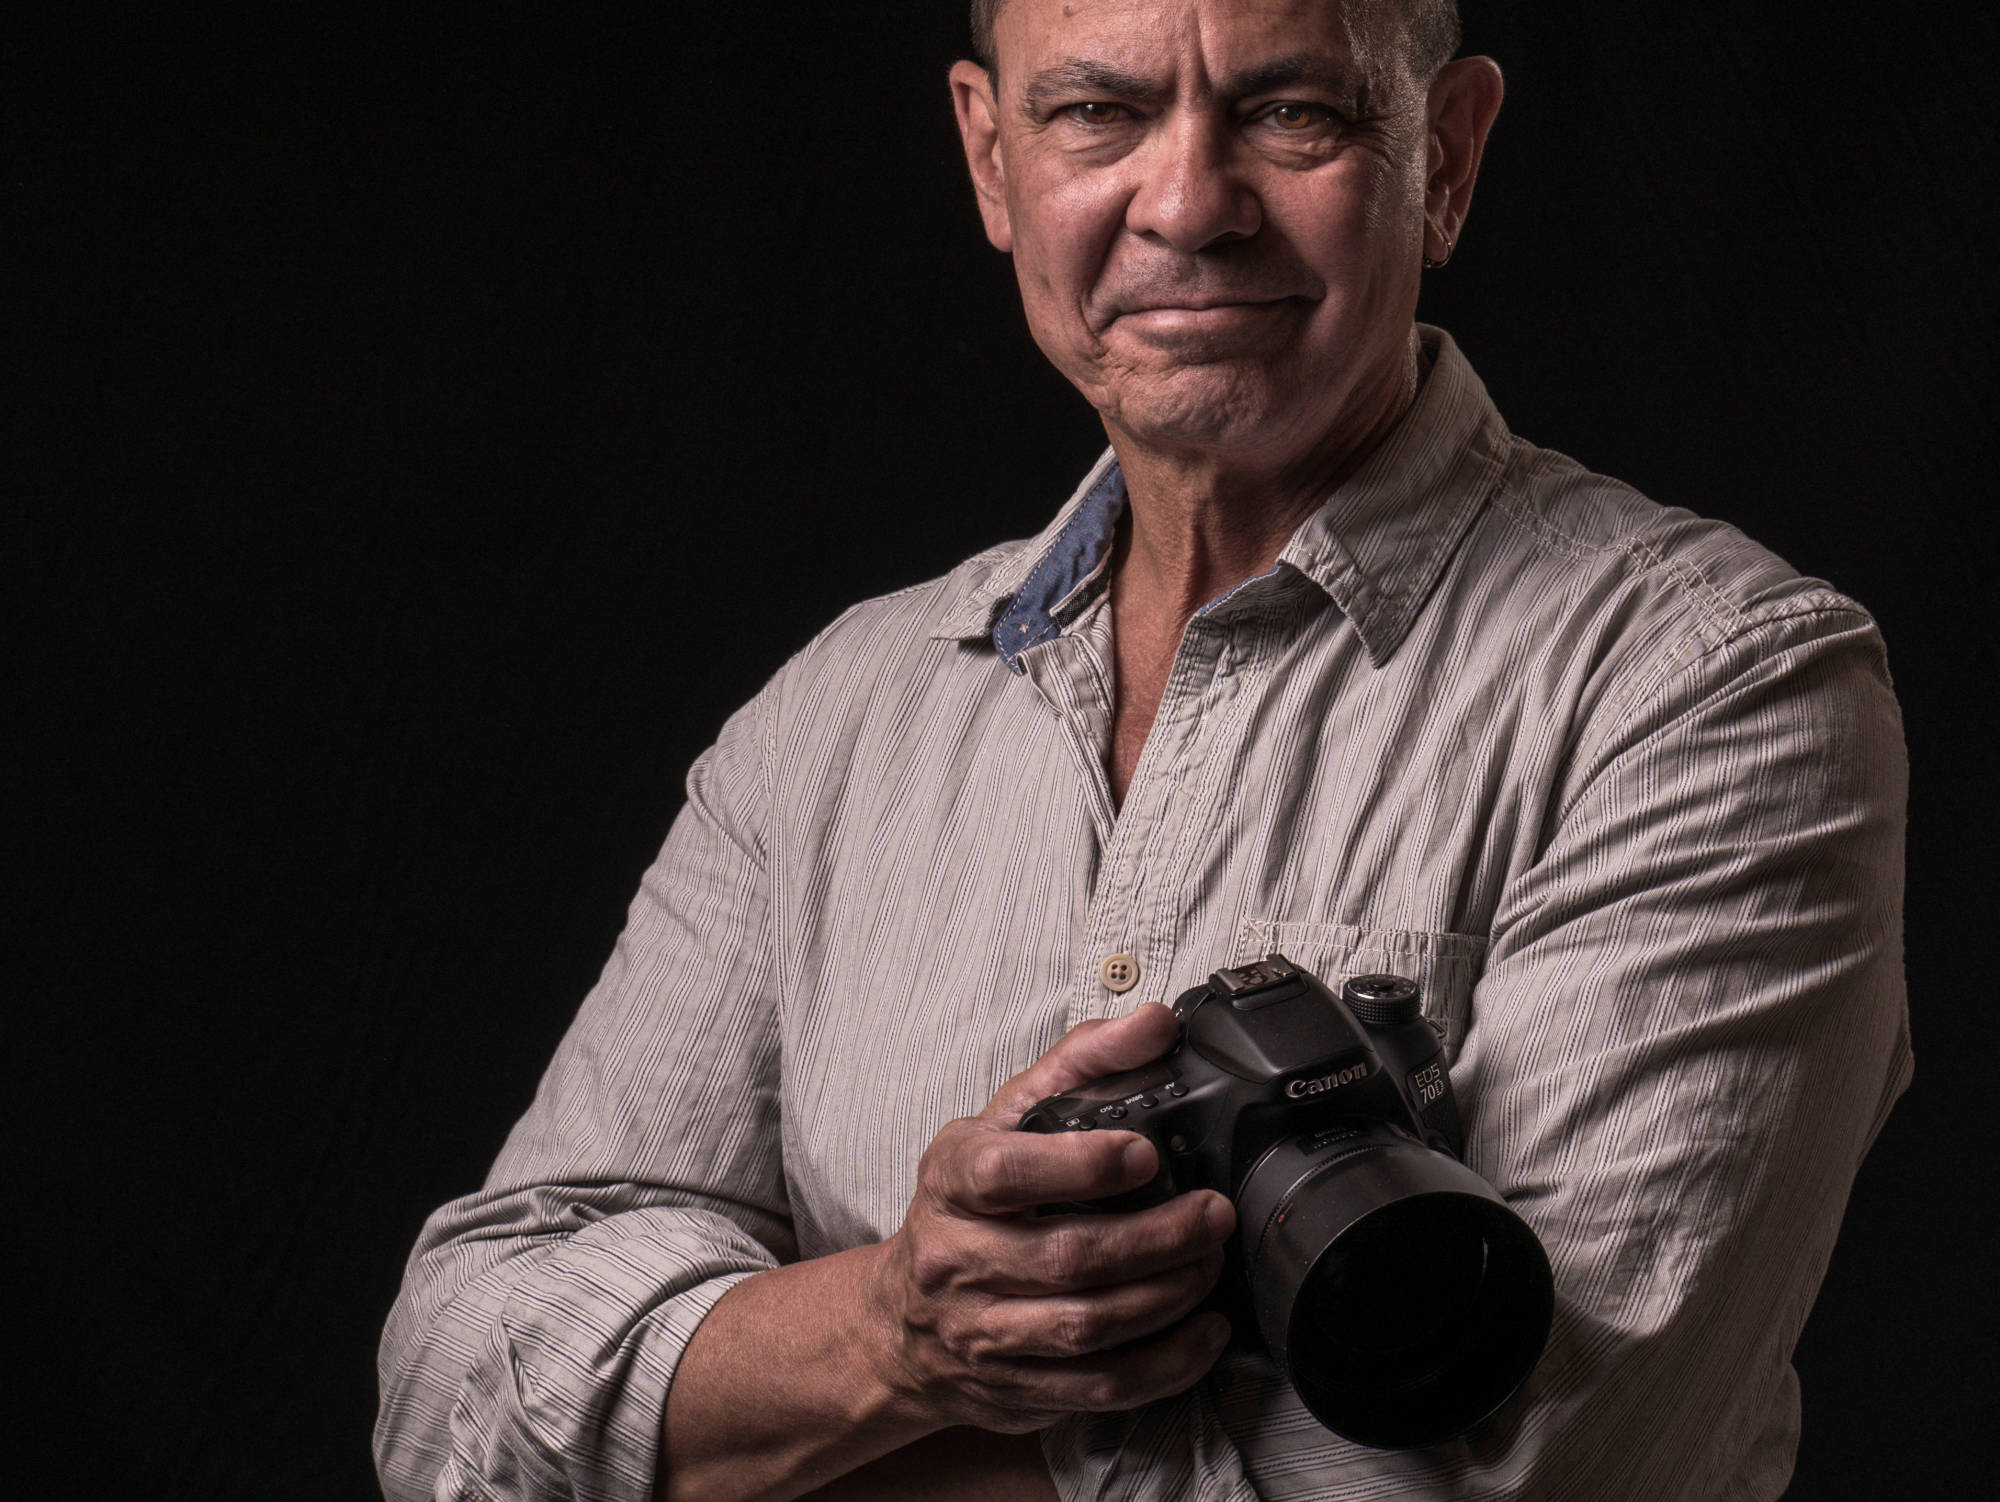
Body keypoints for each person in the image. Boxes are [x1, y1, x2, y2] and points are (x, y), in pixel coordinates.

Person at [375, 1, 1911, 1497]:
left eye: (1291, 110)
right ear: (992, 159)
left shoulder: (1714, 687)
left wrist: (767, 1422)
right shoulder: (837, 716)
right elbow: (457, 1391)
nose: (1186, 205)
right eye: (1098, 112)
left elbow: (1532, 1471)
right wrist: (898, 1333)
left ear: (1445, 156)